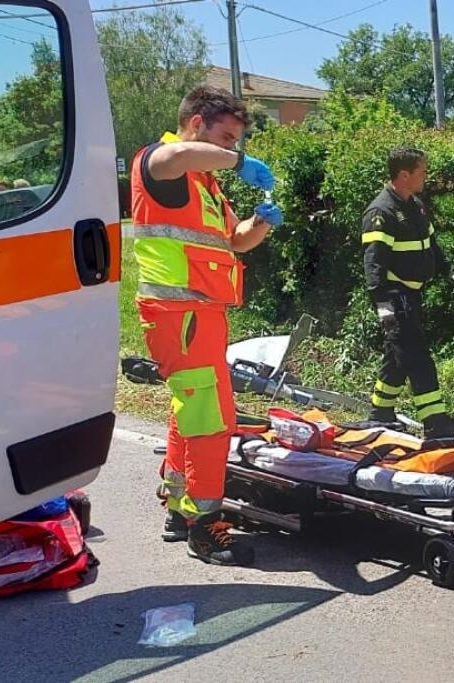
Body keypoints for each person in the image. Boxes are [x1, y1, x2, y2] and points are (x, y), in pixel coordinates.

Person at [131, 85, 282, 566]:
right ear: (196, 124)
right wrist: (239, 163)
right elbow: (178, 154)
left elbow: (235, 241)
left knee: (192, 413)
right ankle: (206, 527)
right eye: (226, 138)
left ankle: (179, 508)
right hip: (180, 314)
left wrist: (261, 221)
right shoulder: (160, 162)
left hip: (199, 315)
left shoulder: (204, 185)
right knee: (213, 420)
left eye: (236, 143)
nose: (232, 150)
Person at [363, 147, 454, 438]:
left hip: (411, 296)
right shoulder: (381, 212)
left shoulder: (416, 206)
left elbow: (431, 244)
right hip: (394, 296)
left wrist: (449, 272)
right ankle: (436, 422)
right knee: (417, 356)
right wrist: (384, 307)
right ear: (404, 175)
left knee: (397, 355)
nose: (427, 176)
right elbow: (374, 264)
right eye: (422, 172)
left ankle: (380, 413)